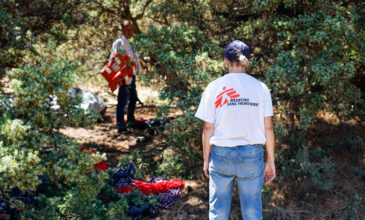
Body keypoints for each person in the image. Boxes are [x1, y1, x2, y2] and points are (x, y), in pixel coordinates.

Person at [195, 40, 276, 220]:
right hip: (251, 155)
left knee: (217, 214)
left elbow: (208, 127)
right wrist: (270, 160)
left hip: (221, 155)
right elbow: (268, 127)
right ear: (247, 62)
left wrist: (206, 159)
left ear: (226, 61)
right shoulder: (260, 88)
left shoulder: (214, 87)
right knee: (252, 213)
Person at [109, 20, 142, 134]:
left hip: (131, 74)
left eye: (131, 29)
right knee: (123, 100)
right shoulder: (119, 42)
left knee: (133, 98)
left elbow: (135, 57)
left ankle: (130, 120)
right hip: (124, 76)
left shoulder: (131, 42)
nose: (130, 31)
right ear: (122, 30)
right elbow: (118, 59)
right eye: (127, 29)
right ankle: (120, 125)